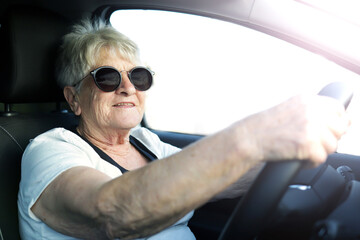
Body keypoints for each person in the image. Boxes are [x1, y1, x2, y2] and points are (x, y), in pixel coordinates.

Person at [17, 18, 350, 240]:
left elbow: (214, 179)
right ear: (74, 98)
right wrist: (253, 137)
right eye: (106, 77)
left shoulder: (145, 141)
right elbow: (113, 213)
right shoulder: (50, 149)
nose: (128, 88)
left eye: (138, 76)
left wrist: (293, 162)